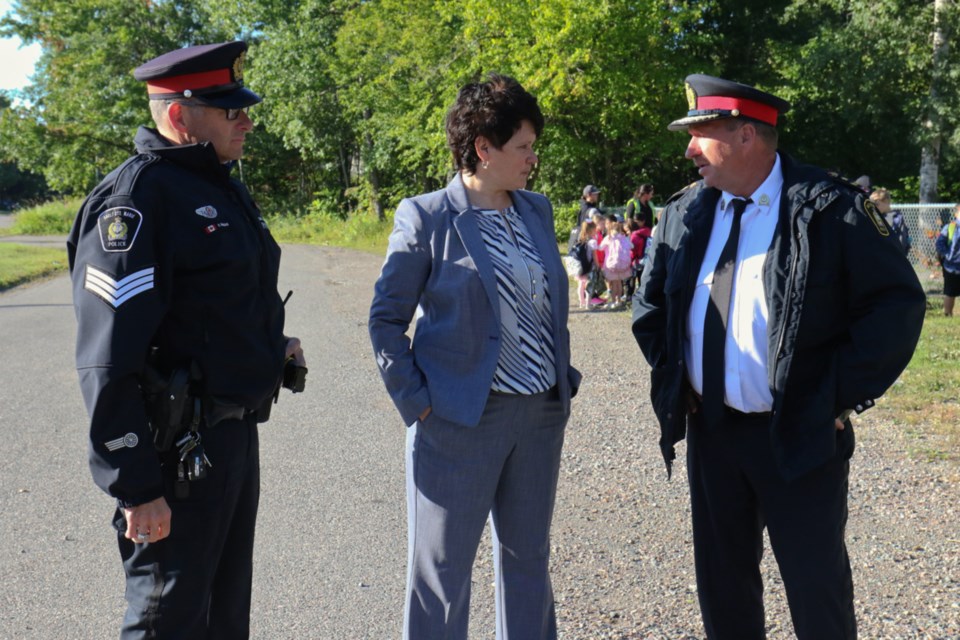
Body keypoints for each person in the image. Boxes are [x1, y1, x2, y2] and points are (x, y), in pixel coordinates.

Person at [631, 74, 925, 639]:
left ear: (746, 135)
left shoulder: (827, 208)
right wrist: (679, 379)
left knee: (817, 591)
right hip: (711, 433)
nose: (689, 149)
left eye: (701, 133)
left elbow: (896, 306)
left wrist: (834, 395)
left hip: (796, 432)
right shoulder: (685, 212)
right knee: (724, 587)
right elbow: (650, 308)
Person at [66, 41, 306, 639]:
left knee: (223, 618)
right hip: (173, 458)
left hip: (229, 438)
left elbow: (214, 303)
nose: (246, 120)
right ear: (180, 116)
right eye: (231, 111)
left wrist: (268, 346)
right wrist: (136, 485)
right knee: (166, 619)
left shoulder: (215, 184)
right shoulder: (137, 200)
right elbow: (108, 356)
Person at [369, 73, 581, 640]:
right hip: (458, 422)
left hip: (538, 417)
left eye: (533, 146)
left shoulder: (535, 210)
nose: (533, 158)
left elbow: (545, 302)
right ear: (483, 148)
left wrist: (564, 377)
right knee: (441, 572)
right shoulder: (427, 216)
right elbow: (386, 320)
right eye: (523, 147)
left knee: (528, 561)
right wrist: (418, 405)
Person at [600, 217, 632, 309]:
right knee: (619, 283)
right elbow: (631, 246)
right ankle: (619, 300)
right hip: (622, 265)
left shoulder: (608, 238)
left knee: (614, 283)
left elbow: (600, 248)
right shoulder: (624, 238)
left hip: (611, 265)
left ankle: (614, 301)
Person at [869, 188, 911, 256]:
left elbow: (901, 241)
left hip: (892, 256)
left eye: (876, 204)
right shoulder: (873, 217)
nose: (874, 207)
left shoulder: (896, 218)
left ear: (886, 201)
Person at [935, 203, 960, 316]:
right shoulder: (950, 227)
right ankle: (947, 314)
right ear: (956, 213)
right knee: (950, 292)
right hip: (952, 265)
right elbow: (940, 243)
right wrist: (947, 255)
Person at [573, 220, 597, 309]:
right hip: (590, 266)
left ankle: (581, 303)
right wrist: (597, 265)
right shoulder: (592, 241)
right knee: (588, 285)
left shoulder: (580, 239)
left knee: (580, 285)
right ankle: (588, 304)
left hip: (581, 266)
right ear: (592, 230)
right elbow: (594, 255)